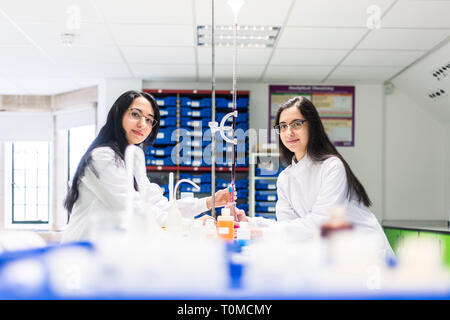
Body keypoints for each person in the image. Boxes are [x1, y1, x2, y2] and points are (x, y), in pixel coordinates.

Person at [61, 90, 232, 243]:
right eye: (135, 114)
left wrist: (209, 202)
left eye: (149, 120)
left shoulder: (130, 161)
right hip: (83, 253)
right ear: (118, 115)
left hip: (108, 253)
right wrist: (192, 225)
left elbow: (159, 205)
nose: (143, 124)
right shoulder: (102, 157)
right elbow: (135, 210)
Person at [235, 96, 393, 258]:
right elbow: (289, 227)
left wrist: (259, 232)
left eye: (296, 124)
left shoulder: (331, 166)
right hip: (336, 254)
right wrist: (250, 222)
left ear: (313, 126)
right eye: (283, 126)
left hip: (366, 251)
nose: (289, 132)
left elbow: (319, 222)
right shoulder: (285, 178)